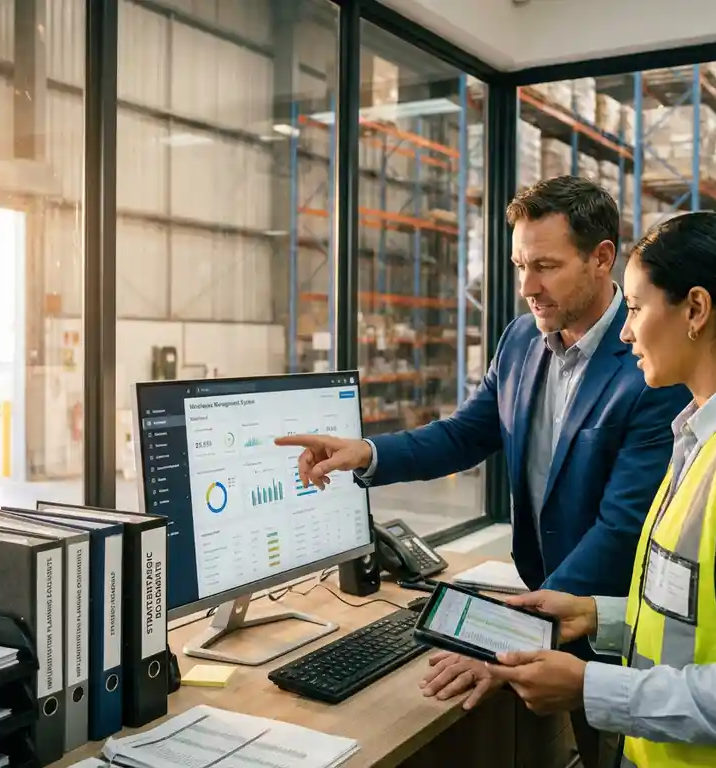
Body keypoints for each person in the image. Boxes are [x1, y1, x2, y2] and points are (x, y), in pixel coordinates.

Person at [276, 176, 689, 766]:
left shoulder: (650, 361)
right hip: (542, 600)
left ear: (602, 259)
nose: (527, 287)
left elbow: (621, 527)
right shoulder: (521, 339)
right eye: (520, 265)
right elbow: (466, 434)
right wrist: (366, 453)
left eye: (545, 266)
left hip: (610, 623)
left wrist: (509, 637)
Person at [482, 211, 716, 767]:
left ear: (695, 310)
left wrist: (591, 688)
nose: (624, 332)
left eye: (635, 309)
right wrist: (598, 615)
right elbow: (698, 616)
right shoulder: (706, 434)